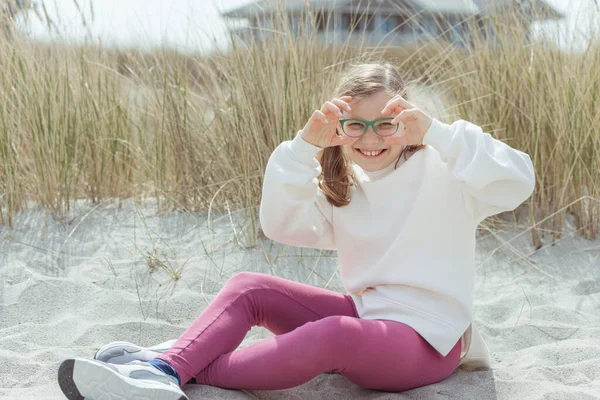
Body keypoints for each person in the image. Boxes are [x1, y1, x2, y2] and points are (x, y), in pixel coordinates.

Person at [57, 62, 536, 400]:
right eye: (356, 125)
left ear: (405, 119)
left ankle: (174, 367)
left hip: (431, 343)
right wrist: (304, 146)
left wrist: (438, 132)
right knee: (250, 287)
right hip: (371, 318)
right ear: (339, 125)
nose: (371, 139)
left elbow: (518, 180)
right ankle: (164, 367)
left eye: (385, 125)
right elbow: (279, 224)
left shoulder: (447, 167)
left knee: (333, 334)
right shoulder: (345, 183)